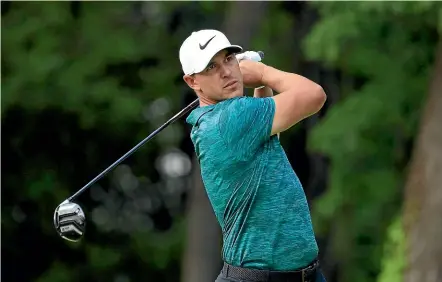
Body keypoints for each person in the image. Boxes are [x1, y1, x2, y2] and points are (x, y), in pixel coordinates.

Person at [179, 29, 327, 282]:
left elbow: (268, 141)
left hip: (303, 274)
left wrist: (260, 85)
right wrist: (263, 73)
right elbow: (314, 95)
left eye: (228, 59)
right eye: (211, 67)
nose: (226, 72)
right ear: (193, 82)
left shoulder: (227, 120)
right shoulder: (230, 119)